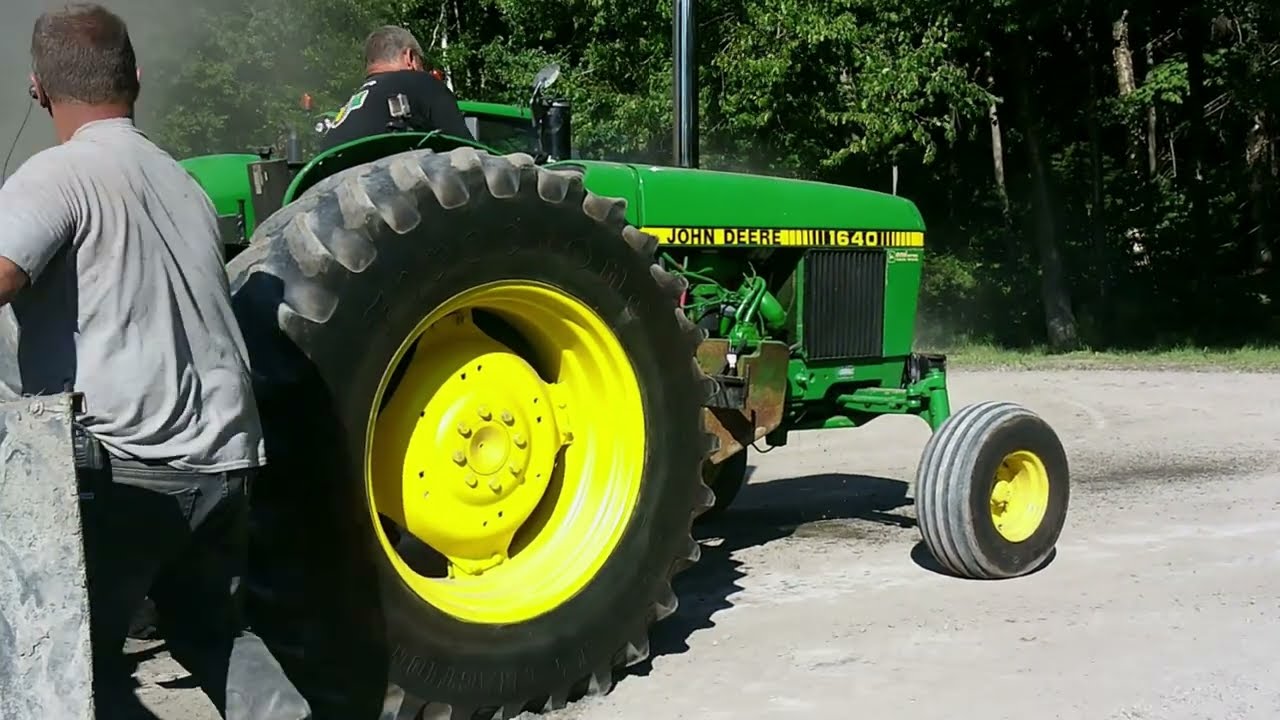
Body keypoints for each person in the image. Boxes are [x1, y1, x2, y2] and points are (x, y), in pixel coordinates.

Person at [0, 5, 310, 718]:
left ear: (37, 90)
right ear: (135, 78)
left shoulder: (56, 175)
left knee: (68, 665)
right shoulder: (184, 184)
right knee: (212, 632)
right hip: (228, 464)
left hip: (130, 474)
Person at [319, 24, 474, 150]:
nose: (423, 69)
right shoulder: (422, 82)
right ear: (410, 57)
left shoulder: (348, 109)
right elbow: (468, 154)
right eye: (422, 62)